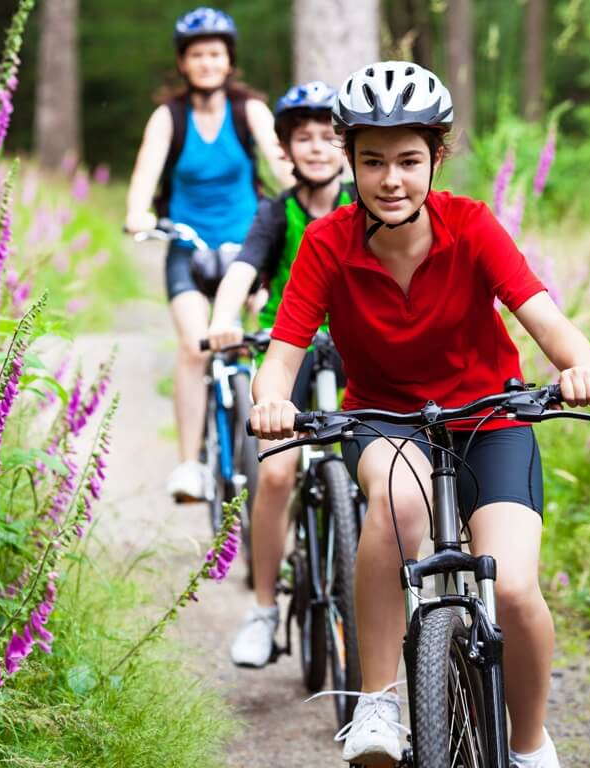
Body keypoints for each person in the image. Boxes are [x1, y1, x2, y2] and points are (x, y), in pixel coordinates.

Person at [247, 61, 590, 768]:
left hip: (491, 418)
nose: (391, 180)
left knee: (510, 583)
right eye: (373, 161)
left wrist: (579, 366)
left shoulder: (472, 226)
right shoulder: (327, 243)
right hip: (383, 420)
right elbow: (286, 349)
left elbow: (544, 317)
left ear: (436, 158)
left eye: (409, 161)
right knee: (395, 504)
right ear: (350, 159)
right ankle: (378, 701)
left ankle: (530, 744)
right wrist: (271, 399)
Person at [204, 80, 353, 667]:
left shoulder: (362, 207)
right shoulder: (276, 213)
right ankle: (264, 608)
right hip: (283, 346)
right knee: (275, 474)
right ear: (285, 150)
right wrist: (222, 318)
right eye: (303, 139)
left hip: (354, 348)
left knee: (385, 467)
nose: (316, 148)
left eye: (327, 137)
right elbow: (243, 270)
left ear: (345, 147)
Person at [124, 7, 293, 501]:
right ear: (183, 62)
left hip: (248, 245)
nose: (207, 62)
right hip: (188, 248)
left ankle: (275, 450)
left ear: (229, 59)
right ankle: (189, 466)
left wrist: (306, 195)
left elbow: (282, 166)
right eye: (197, 54)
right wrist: (138, 215)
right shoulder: (168, 117)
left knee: (257, 335)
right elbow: (145, 175)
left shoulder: (250, 112)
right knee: (194, 345)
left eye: (215, 53)